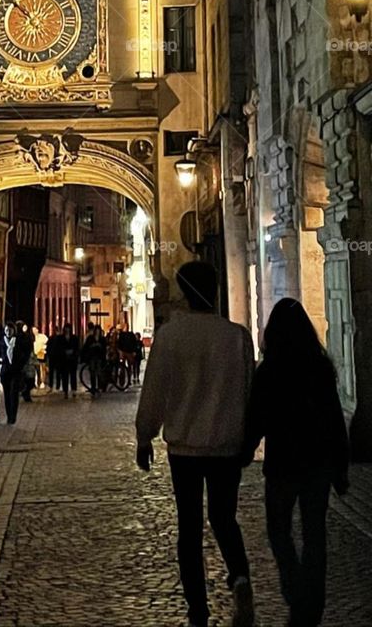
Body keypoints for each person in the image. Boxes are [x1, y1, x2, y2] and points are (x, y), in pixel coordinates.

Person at [136, 261, 255, 627]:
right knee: (224, 517)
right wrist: (247, 440)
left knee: (189, 527)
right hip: (225, 445)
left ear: (184, 292)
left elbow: (155, 390)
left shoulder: (171, 336)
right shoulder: (237, 336)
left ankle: (198, 610)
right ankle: (240, 577)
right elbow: (248, 392)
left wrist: (145, 436)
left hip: (185, 448)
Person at [243, 298, 349, 627]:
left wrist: (245, 451)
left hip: (283, 463)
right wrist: (341, 467)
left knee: (279, 530)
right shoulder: (320, 367)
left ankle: (295, 589)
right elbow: (334, 418)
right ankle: (312, 600)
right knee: (315, 533)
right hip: (317, 462)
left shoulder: (269, 370)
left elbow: (257, 418)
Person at [0, 322, 29, 425]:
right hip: (5, 372)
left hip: (16, 371)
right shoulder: (1, 342)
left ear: (14, 331)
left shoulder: (19, 342)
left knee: (14, 393)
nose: (8, 332)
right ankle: (9, 415)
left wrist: (21, 363)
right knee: (7, 394)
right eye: (6, 330)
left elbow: (26, 353)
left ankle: (13, 416)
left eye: (10, 330)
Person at [80, 324, 106, 397]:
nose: (97, 332)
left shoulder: (102, 339)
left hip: (99, 357)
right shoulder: (90, 338)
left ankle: (99, 387)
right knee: (92, 373)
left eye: (98, 331)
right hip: (92, 357)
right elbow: (86, 347)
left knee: (99, 373)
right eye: (96, 331)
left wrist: (100, 347)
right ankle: (93, 388)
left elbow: (104, 348)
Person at [58, 322, 79, 398]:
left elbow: (77, 348)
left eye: (68, 328)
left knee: (73, 375)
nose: (67, 330)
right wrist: (64, 352)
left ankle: (73, 390)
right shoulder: (60, 338)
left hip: (72, 359)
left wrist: (73, 352)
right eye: (66, 328)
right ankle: (65, 391)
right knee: (65, 376)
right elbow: (59, 348)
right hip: (64, 360)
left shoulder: (74, 338)